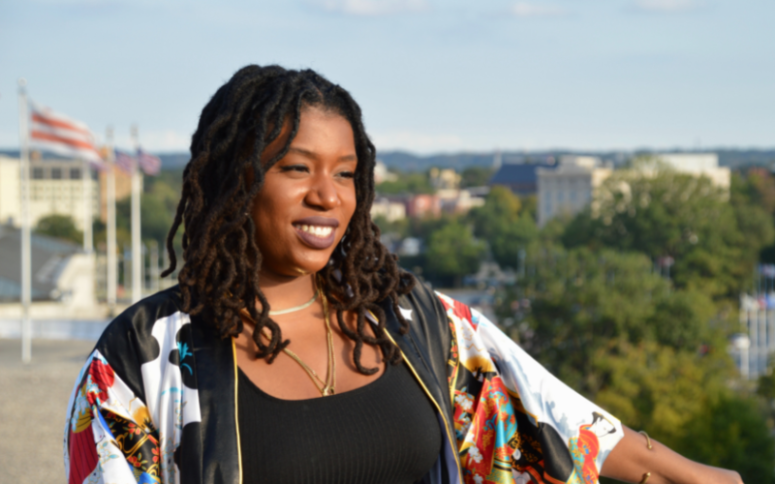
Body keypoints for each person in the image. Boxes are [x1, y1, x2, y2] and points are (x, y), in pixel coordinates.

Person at [64, 65, 744, 484]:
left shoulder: (413, 320)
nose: (327, 196)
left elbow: (553, 415)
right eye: (296, 168)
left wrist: (690, 475)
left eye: (346, 174)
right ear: (234, 181)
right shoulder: (141, 356)